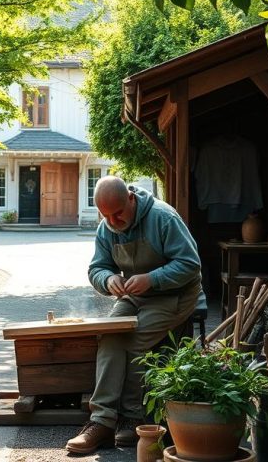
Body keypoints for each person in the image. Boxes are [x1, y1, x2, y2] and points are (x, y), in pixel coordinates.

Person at [66, 176, 205, 455]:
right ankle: (102, 422)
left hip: (176, 295)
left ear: (131, 198)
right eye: (106, 216)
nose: (114, 222)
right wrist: (107, 280)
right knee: (110, 336)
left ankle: (132, 417)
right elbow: (97, 268)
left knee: (133, 340)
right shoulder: (107, 226)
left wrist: (153, 279)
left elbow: (191, 264)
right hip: (135, 294)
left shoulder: (163, 218)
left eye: (118, 214)